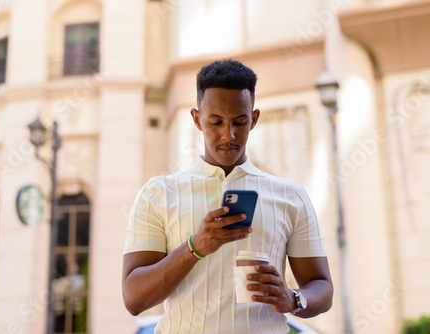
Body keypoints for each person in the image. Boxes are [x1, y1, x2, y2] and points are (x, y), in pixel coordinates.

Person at [122, 59, 333, 333]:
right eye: (216, 122)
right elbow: (134, 299)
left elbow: (322, 287)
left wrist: (293, 298)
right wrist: (194, 247)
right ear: (197, 119)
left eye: (240, 122)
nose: (228, 135)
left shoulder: (291, 196)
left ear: (254, 119)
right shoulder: (157, 194)